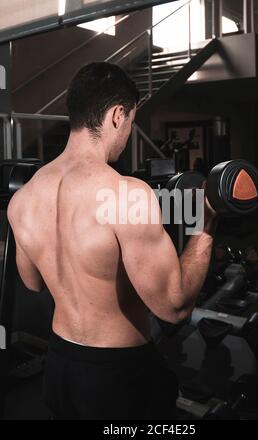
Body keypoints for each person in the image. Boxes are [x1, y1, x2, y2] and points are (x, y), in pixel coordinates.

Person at [7, 62, 217, 420]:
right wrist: (207, 220)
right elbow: (175, 307)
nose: (128, 133)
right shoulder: (125, 194)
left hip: (59, 367)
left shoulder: (23, 199)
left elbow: (32, 282)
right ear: (118, 114)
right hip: (118, 377)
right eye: (131, 122)